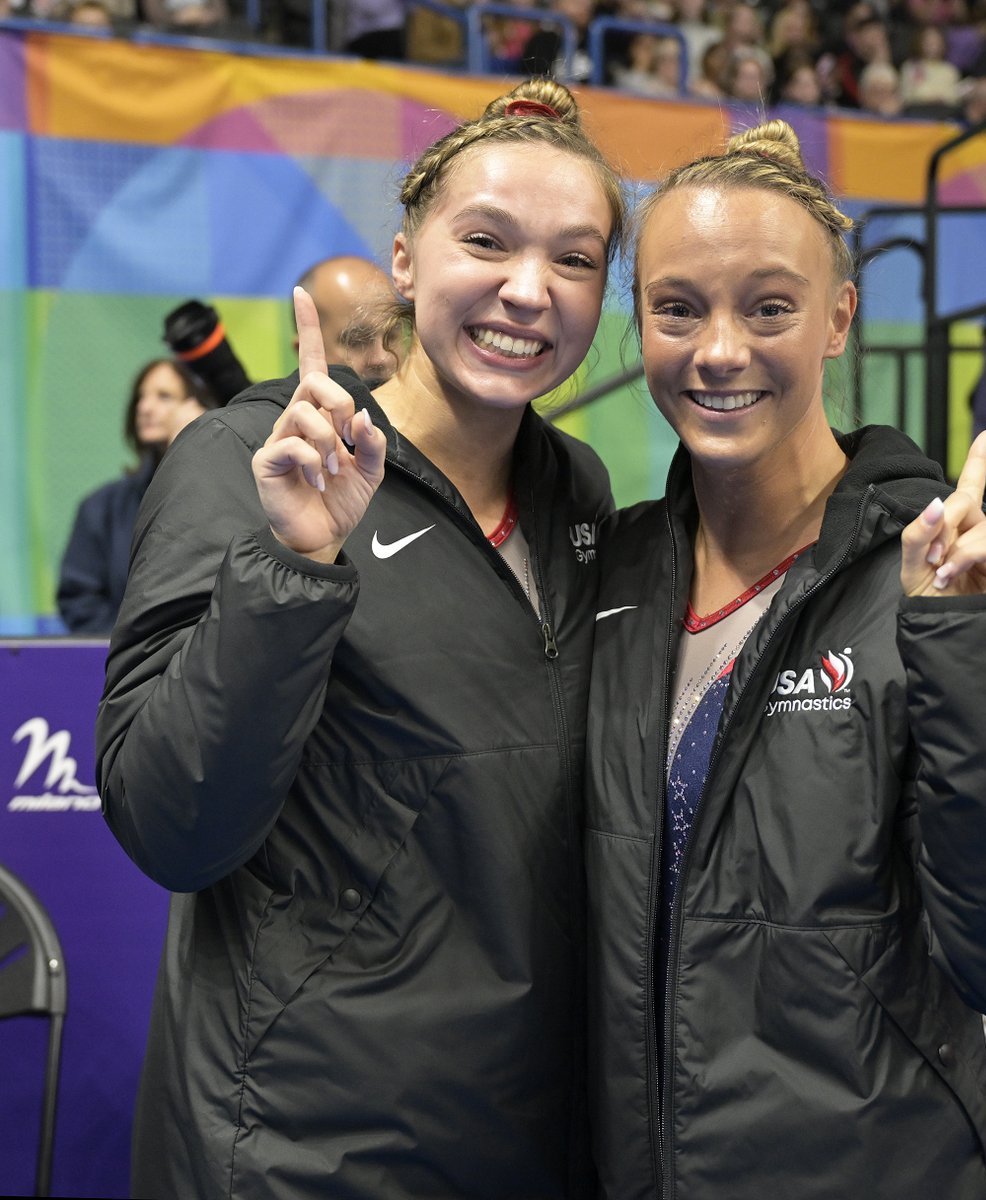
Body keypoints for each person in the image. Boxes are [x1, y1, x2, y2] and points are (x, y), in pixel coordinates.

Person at [96, 78, 625, 1199]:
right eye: (485, 240)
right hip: (306, 1143)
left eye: (575, 260)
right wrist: (295, 564)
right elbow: (170, 822)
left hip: (526, 1128)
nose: (528, 291)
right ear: (404, 260)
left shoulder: (574, 488)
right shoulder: (251, 462)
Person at [584, 119, 986, 1197]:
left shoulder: (936, 583)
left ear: (838, 318)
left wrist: (977, 651)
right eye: (678, 308)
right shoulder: (615, 575)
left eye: (768, 306)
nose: (718, 349)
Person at [57, 358, 214, 634]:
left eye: (164, 396)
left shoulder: (223, 498)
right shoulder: (101, 508)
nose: (145, 407)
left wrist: (198, 442)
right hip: (123, 668)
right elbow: (79, 601)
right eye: (141, 398)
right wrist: (129, 652)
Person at [294, 254, 402, 388]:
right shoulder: (273, 406)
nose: (382, 358)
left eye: (391, 337)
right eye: (358, 341)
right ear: (303, 350)